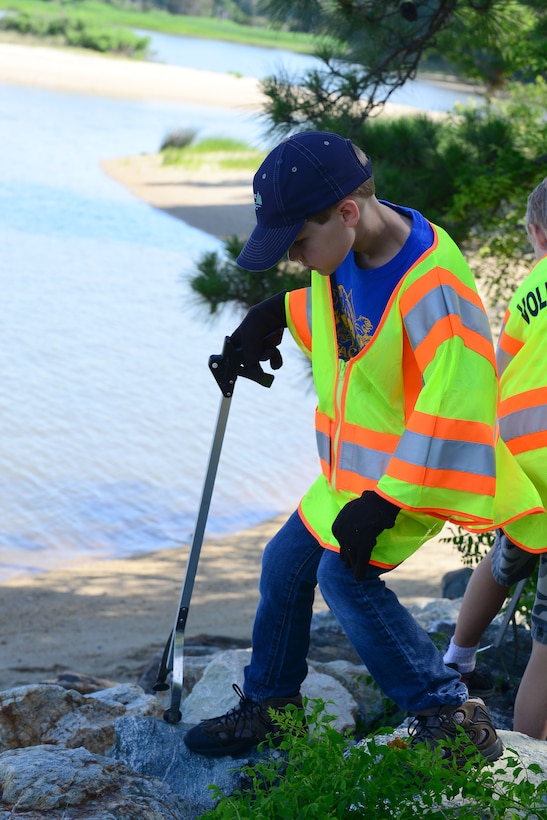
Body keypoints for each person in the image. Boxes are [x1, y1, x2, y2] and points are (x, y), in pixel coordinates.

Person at [184, 131, 542, 762]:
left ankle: (448, 714)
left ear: (347, 212)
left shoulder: (433, 283)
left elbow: (459, 399)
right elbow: (349, 319)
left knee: (344, 578)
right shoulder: (344, 247)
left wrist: (387, 499)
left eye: (298, 242)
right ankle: (270, 707)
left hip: (416, 470)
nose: (297, 258)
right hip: (352, 473)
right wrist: (271, 317)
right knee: (283, 562)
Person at [443, 177, 547, 740]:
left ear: (535, 232)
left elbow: (501, 370)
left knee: (508, 555)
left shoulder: (531, 288)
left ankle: (458, 656)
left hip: (526, 462)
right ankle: (533, 762)